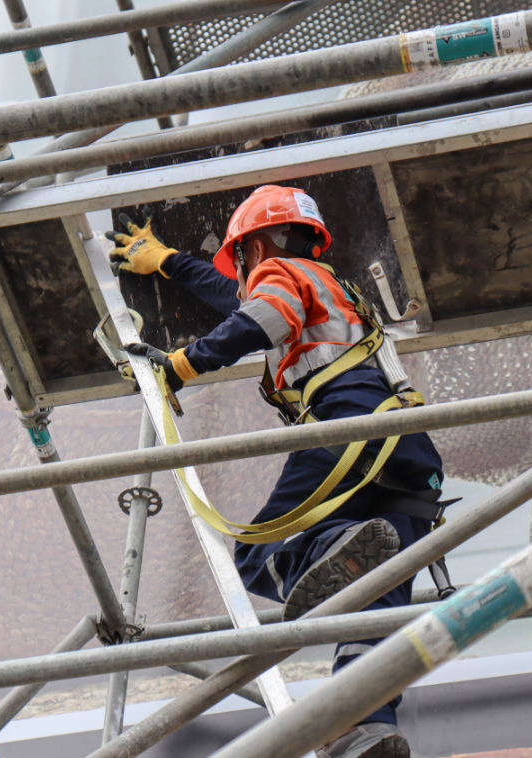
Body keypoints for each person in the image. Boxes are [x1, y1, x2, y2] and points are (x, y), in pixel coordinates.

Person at [110, 185, 447, 758]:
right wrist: (167, 261)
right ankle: (362, 723)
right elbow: (234, 299)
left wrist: (180, 367)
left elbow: (260, 317)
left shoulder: (283, 274)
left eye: (242, 258)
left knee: (257, 551)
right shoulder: (336, 289)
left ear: (259, 243)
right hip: (410, 454)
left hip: (347, 423)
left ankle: (330, 550)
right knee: (375, 594)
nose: (242, 272)